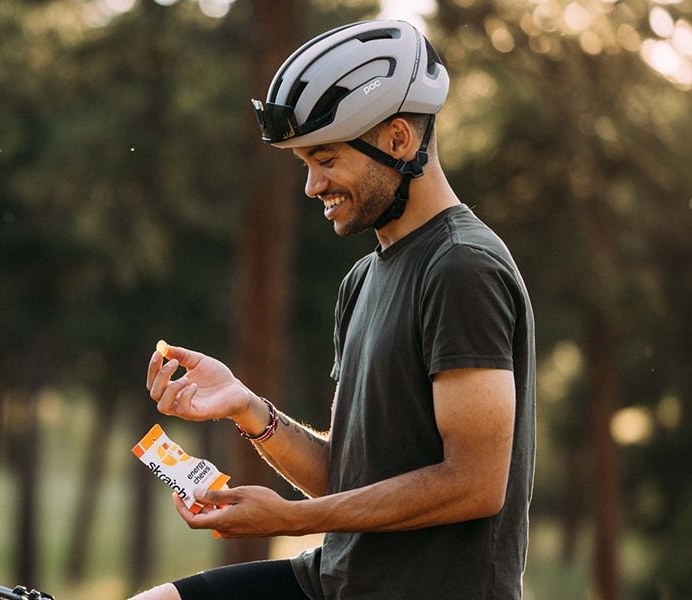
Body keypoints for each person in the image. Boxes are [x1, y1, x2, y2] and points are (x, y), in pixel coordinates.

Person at [130, 19, 535, 600]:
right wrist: (248, 409)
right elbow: (345, 477)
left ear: (399, 140)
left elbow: (474, 484)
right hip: (335, 581)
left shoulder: (461, 268)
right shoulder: (363, 279)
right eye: (305, 165)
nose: (312, 185)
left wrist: (288, 520)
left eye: (325, 159)